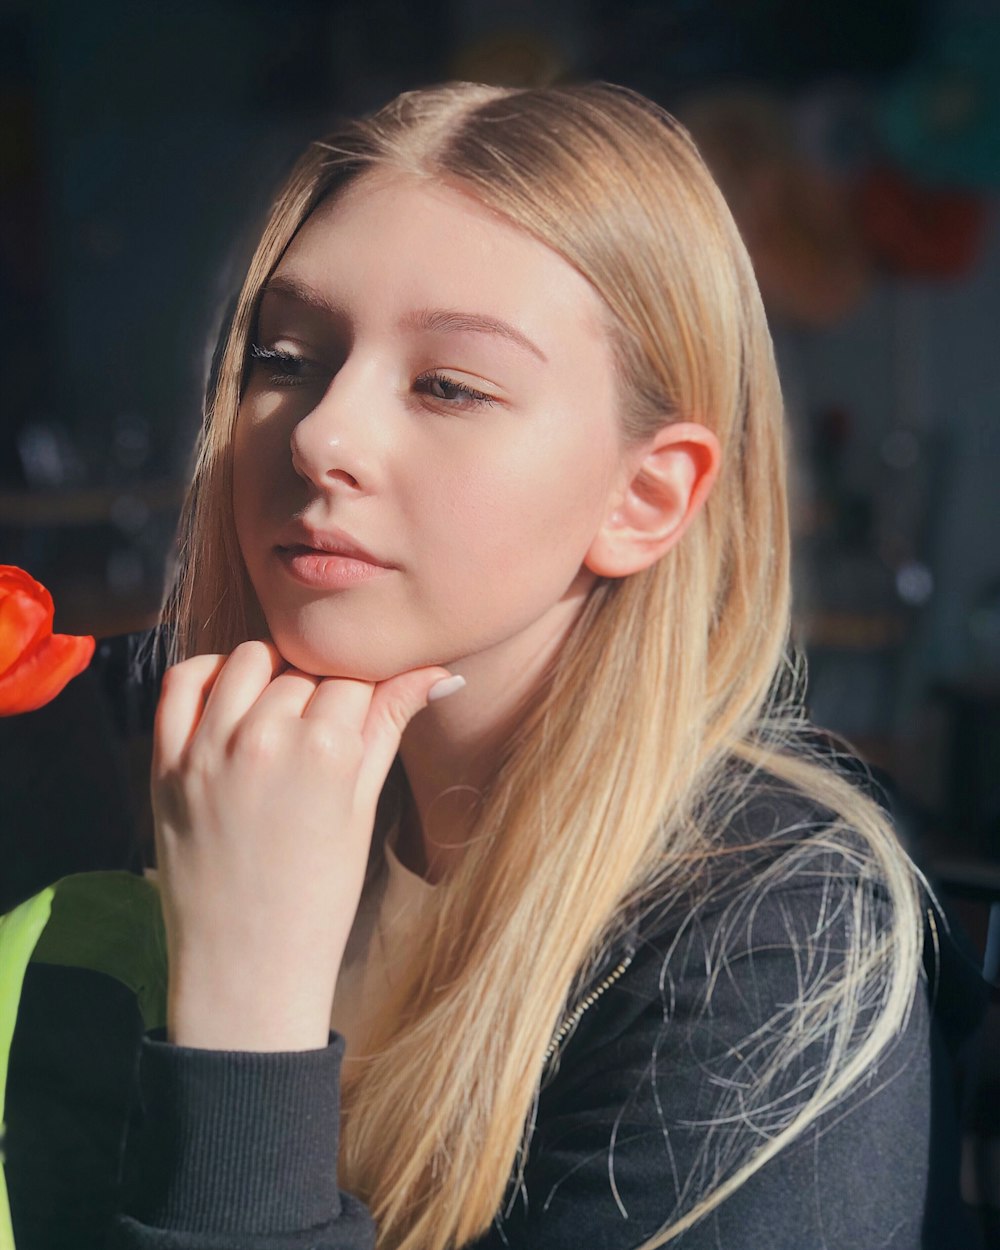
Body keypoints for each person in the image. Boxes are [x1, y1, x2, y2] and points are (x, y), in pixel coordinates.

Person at [4, 81, 939, 1249]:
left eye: (447, 384)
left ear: (644, 497)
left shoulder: (765, 944)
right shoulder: (144, 732)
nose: (317, 435)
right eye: (285, 356)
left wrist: (245, 1021)